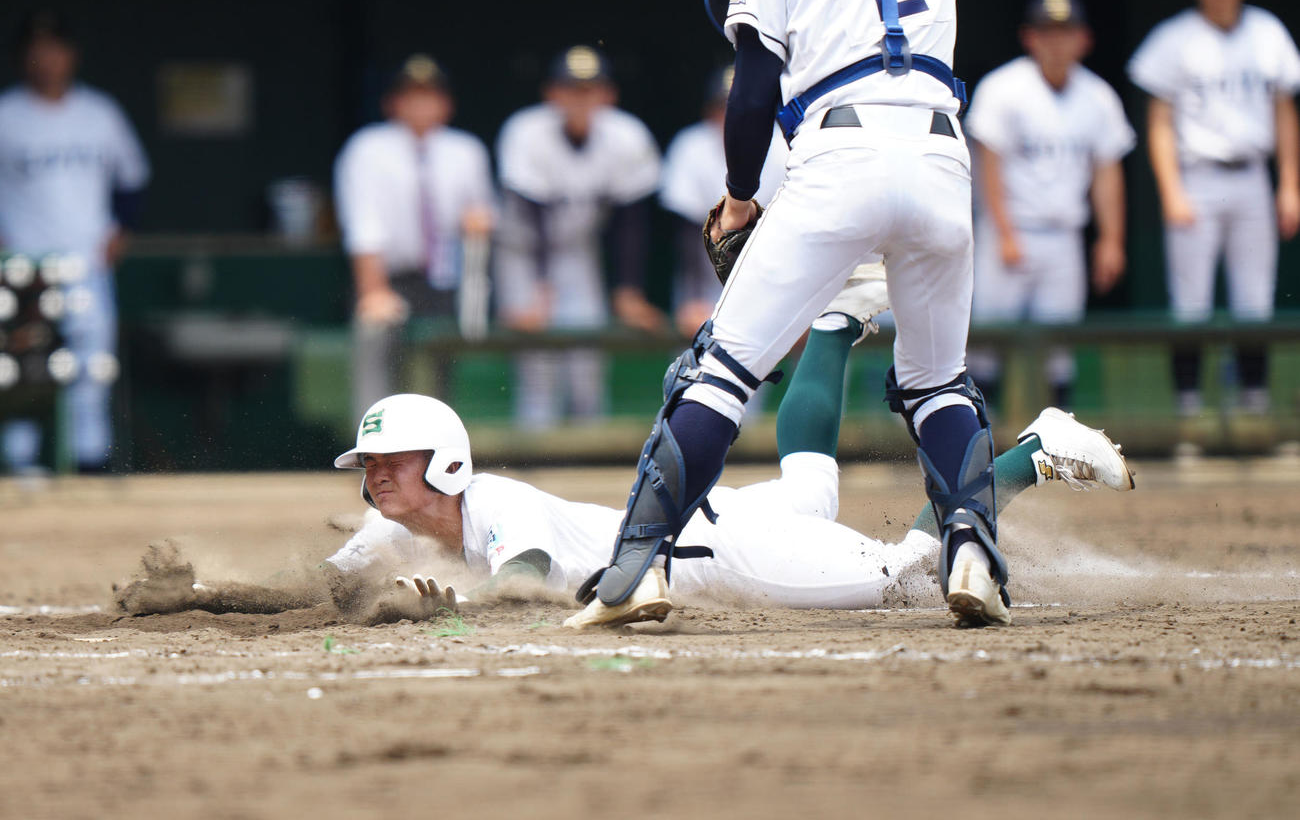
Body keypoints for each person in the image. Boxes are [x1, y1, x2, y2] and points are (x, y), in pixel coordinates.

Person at [114, 265, 1134, 623]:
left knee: (907, 579)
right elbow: (319, 588)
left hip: (724, 553)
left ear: (445, 465)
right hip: (702, 526)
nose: (374, 479)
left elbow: (520, 586)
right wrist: (200, 597)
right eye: (368, 467)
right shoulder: (398, 535)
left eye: (390, 463)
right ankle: (832, 324)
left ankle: (1029, 453)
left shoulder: (494, 507)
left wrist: (435, 611)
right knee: (812, 485)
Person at [572, 0, 1020, 628]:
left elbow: (750, 96)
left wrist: (741, 195)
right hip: (939, 160)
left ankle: (638, 566)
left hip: (838, 158)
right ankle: (972, 552)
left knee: (717, 374)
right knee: (936, 382)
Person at [1128, 0, 1300, 426]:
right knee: (1191, 303)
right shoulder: (1174, 37)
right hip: (1197, 177)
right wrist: (1171, 191)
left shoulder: (1267, 31)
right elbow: (1159, 122)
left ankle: (1254, 409)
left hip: (1252, 176)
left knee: (1255, 300)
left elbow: (1284, 112)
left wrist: (1289, 184)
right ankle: (1188, 414)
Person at [966, 0, 1135, 410]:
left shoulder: (1098, 96)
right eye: (1048, 32)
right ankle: (983, 435)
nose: (1056, 42)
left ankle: (1056, 440)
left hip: (1064, 235)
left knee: (1060, 350)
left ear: (1084, 39)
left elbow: (1107, 173)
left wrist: (1111, 240)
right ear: (1030, 37)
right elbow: (988, 167)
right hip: (1009, 230)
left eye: (1065, 32)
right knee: (987, 345)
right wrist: (1005, 233)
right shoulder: (1003, 87)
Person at [0, 9, 150, 474]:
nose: (48, 59)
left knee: (91, 365)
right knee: (21, 367)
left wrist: (119, 232)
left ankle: (90, 461)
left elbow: (133, 180)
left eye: (56, 49)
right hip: (22, 264)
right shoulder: (7, 114)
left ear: (71, 55)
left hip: (86, 260)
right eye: (37, 50)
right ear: (23, 57)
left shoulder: (99, 113)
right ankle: (20, 464)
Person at [494, 45, 665, 429]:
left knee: (588, 361)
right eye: (571, 89)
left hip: (577, 251)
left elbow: (631, 220)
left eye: (591, 89)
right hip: (522, 254)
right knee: (537, 367)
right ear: (551, 93)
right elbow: (534, 215)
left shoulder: (626, 135)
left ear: (609, 94)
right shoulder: (525, 131)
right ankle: (535, 456)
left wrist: (629, 291)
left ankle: (588, 454)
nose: (581, 99)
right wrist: (539, 293)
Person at [333, 54, 495, 422]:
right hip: (387, 277)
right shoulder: (367, 148)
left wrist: (478, 222)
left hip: (445, 281)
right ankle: (371, 448)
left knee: (439, 381)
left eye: (430, 96)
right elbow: (364, 225)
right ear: (392, 102)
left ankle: (438, 452)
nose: (421, 105)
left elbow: (483, 214)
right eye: (411, 96)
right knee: (377, 357)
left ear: (446, 104)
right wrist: (373, 290)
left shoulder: (466, 150)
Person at [660, 66, 786, 337]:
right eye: (725, 107)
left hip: (774, 275)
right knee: (702, 357)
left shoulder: (784, 146)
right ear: (710, 111)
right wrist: (693, 298)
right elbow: (687, 232)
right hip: (706, 276)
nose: (735, 116)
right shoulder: (692, 147)